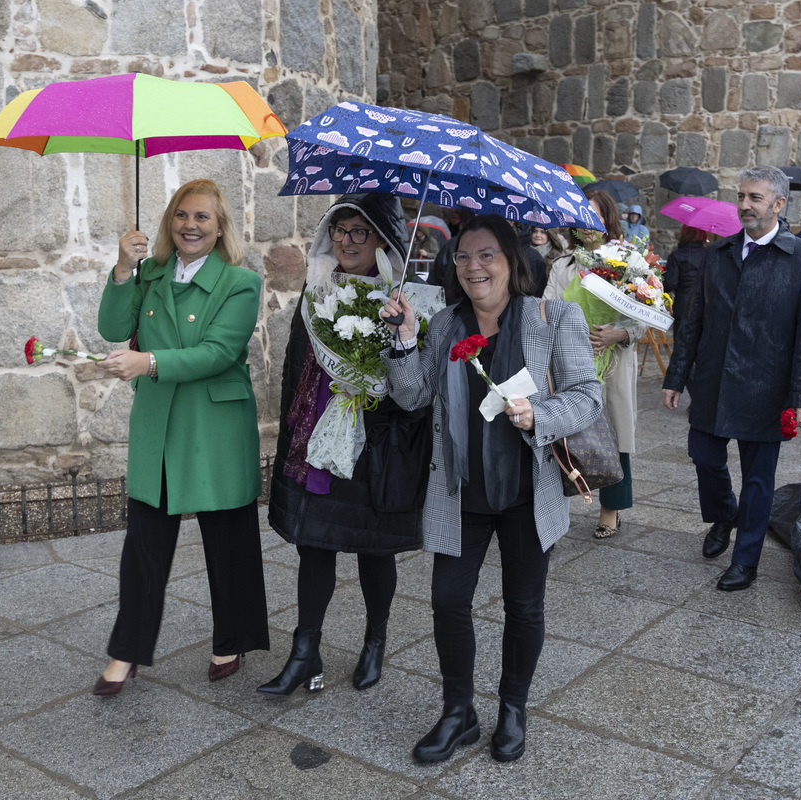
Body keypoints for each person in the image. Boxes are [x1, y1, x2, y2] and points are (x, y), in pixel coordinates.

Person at [379, 214, 603, 764]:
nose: (474, 267)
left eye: (486, 255)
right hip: (463, 492)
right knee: (448, 602)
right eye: (463, 256)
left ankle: (512, 709)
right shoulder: (445, 324)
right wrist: (404, 340)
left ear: (510, 261)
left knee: (524, 607)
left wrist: (540, 414)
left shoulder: (554, 316)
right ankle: (459, 712)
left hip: (529, 493)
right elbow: (410, 397)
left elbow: (587, 396)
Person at [92, 178, 268, 695]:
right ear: (171, 223)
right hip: (160, 421)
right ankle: (126, 652)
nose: (190, 225)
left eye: (202, 218)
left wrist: (147, 361)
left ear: (220, 230)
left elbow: (219, 352)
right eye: (182, 216)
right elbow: (111, 325)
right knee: (144, 544)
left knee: (228, 541)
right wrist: (124, 268)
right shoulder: (150, 274)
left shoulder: (241, 282)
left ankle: (231, 639)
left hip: (213, 424)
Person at [260, 194, 421, 696]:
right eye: (340, 230)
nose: (346, 241)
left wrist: (384, 361)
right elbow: (295, 367)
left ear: (382, 240)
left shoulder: (403, 301)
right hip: (320, 438)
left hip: (377, 443)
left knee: (375, 550)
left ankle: (375, 641)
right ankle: (304, 652)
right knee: (315, 545)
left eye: (360, 232)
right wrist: (295, 431)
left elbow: (414, 386)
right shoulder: (317, 288)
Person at [662, 166, 801, 592]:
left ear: (778, 204)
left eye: (754, 198)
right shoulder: (717, 254)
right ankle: (723, 514)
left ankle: (746, 561)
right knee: (704, 455)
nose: (744, 205)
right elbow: (692, 322)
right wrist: (676, 377)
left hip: (767, 389)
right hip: (714, 382)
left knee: (758, 480)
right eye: (741, 196)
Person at [544, 190, 640, 538]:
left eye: (595, 218)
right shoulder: (562, 264)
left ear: (608, 220)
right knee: (568, 434)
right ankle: (557, 503)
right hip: (571, 360)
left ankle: (610, 510)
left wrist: (618, 334)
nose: (587, 226)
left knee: (615, 435)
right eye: (581, 218)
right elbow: (548, 308)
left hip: (612, 361)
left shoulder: (627, 261)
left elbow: (645, 313)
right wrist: (569, 334)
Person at [665, 223, 709, 305]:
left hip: (683, 305)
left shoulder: (676, 255)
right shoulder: (710, 255)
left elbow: (670, 284)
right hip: (705, 306)